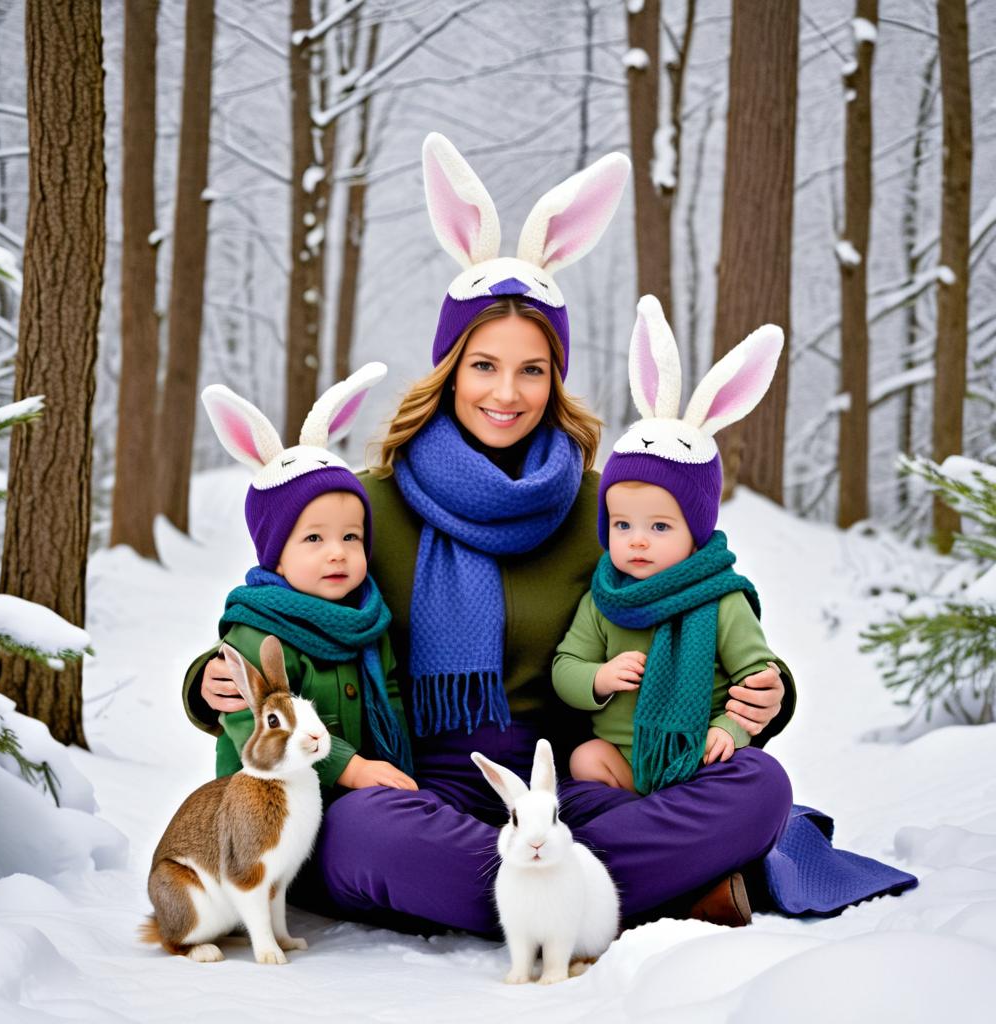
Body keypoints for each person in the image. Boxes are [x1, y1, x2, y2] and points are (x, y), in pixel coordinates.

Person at [184, 134, 793, 933]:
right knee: (366, 833)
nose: (507, 392)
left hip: (570, 780)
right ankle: (626, 888)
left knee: (762, 788)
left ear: (556, 378)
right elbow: (276, 606)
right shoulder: (370, 507)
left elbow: (696, 598)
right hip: (413, 782)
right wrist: (208, 681)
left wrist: (766, 689)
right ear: (449, 367)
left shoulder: (601, 509)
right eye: (484, 366)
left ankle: (536, 886)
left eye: (532, 369)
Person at [554, 294, 789, 797]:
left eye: (660, 528)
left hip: (695, 757)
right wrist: (599, 678)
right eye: (621, 526)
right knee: (583, 758)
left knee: (754, 782)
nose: (637, 540)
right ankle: (648, 835)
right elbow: (565, 668)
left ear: (695, 532)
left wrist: (731, 729)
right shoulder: (604, 599)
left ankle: (660, 835)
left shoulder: (721, 600)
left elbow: (757, 679)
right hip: (620, 765)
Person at [196, 366, 415, 797]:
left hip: (355, 793)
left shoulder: (368, 619)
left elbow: (389, 699)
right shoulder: (260, 628)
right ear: (276, 557)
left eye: (350, 537)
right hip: (266, 800)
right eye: (314, 538)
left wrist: (397, 767)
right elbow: (254, 718)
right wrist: (348, 768)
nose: (337, 552)